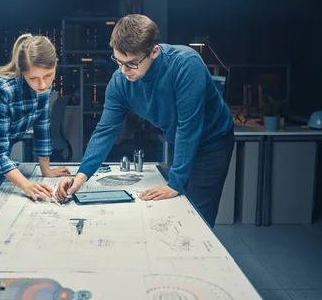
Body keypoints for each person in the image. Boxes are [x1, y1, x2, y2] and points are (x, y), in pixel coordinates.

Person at [55, 14, 234, 228]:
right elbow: (105, 131)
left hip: (211, 143)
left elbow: (189, 126)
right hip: (179, 141)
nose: (123, 71)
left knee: (198, 221)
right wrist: (81, 176)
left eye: (131, 63)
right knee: (174, 210)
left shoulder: (186, 65)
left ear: (154, 52)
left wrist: (175, 183)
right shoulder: (120, 81)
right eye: (118, 61)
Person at [0, 33, 71, 224]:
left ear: (55, 65)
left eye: (48, 76)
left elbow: (42, 128)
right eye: (33, 78)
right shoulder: (3, 89)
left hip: (1, 149)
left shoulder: (43, 89)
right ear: (22, 72)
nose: (42, 85)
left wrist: (46, 170)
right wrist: (27, 186)